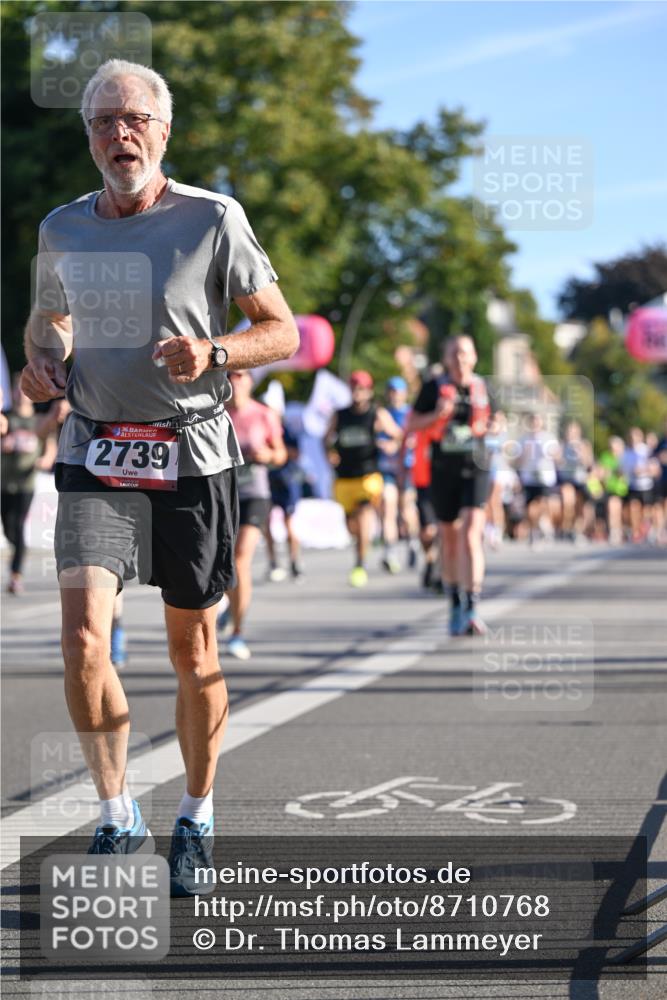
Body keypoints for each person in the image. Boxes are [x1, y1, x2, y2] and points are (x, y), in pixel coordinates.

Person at [19, 60, 298, 893]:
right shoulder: (62, 228)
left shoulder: (212, 218)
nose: (120, 134)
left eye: (134, 118)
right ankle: (116, 815)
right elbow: (47, 320)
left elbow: (280, 331)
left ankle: (196, 815)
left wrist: (215, 351)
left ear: (163, 131)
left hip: (190, 453)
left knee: (192, 649)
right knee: (82, 641)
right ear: (89, 138)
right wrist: (43, 361)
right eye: (103, 121)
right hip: (95, 449)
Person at [407, 335, 492, 635]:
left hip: (476, 468)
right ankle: (455, 600)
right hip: (443, 470)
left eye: (465, 353)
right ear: (446, 358)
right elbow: (411, 424)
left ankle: (472, 605)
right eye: (454, 353)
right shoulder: (433, 387)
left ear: (474, 357)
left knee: (471, 533)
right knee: (449, 537)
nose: (460, 358)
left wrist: (496, 426)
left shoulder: (483, 387)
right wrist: (437, 414)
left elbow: (496, 420)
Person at [221, 370, 287, 659]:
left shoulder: (263, 414)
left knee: (240, 559)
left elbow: (281, 454)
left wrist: (269, 456)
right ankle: (232, 604)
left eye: (241, 376)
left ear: (250, 382)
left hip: (255, 494)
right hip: (223, 494)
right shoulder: (216, 411)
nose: (236, 381)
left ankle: (237, 631)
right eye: (231, 376)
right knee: (221, 564)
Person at [327, 370, 402, 587]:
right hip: (344, 477)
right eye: (353, 388)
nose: (357, 393)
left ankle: (359, 565)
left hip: (368, 476)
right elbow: (326, 439)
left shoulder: (377, 414)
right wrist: (330, 454)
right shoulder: (340, 414)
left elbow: (398, 435)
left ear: (369, 391)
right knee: (351, 526)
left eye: (361, 389)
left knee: (363, 518)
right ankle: (363, 542)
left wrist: (392, 446)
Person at [1, 377, 46, 594]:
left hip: (26, 484)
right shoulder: (6, 419)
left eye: (23, 390)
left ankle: (16, 575)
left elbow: (50, 446)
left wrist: (44, 460)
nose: (20, 394)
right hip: (4, 482)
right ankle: (18, 553)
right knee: (8, 529)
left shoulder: (39, 421)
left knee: (18, 526)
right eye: (16, 390)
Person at [377, 376, 418, 573]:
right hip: (387, 468)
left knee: (406, 509)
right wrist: (382, 444)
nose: (395, 395)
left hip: (406, 468)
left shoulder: (410, 414)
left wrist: (397, 443)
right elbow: (374, 437)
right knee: (388, 505)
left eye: (398, 392)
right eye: (392, 392)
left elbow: (413, 439)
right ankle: (390, 551)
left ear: (404, 394)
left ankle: (412, 542)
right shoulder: (381, 414)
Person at [265, 419, 305, 582]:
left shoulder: (286, 430)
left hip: (286, 481)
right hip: (267, 481)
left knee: (288, 524)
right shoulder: (260, 426)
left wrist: (276, 452)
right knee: (266, 524)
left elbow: (296, 453)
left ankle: (295, 562)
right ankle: (273, 563)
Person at [516, 412, 560, 545]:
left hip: (544, 477)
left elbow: (557, 456)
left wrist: (550, 453)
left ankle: (541, 523)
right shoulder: (524, 439)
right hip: (529, 477)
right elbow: (517, 461)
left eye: (537, 421)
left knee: (542, 502)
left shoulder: (549, 438)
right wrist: (525, 453)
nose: (535, 424)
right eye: (533, 421)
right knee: (530, 507)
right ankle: (534, 530)